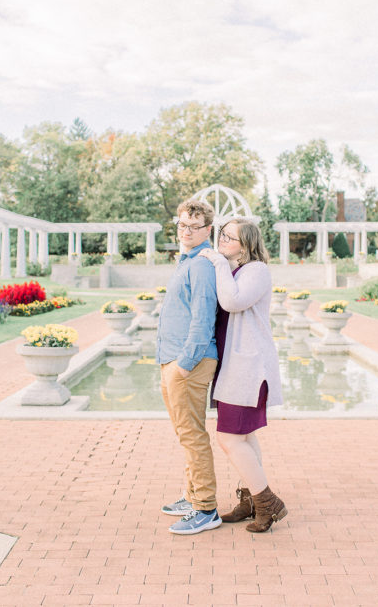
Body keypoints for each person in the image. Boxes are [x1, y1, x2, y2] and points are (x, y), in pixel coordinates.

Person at [199, 218, 288, 532]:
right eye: (222, 234)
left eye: (230, 237)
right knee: (246, 437)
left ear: (247, 244)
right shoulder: (234, 270)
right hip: (232, 367)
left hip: (248, 368)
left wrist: (216, 261)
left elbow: (232, 301)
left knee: (229, 438)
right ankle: (249, 500)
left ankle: (267, 502)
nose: (222, 240)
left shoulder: (256, 271)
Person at [157, 198, 221, 535]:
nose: (186, 231)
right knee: (186, 434)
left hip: (188, 363)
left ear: (207, 230)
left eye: (193, 226)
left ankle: (206, 508)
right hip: (173, 360)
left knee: (193, 435)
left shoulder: (200, 265)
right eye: (182, 225)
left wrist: (183, 365)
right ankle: (192, 494)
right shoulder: (187, 261)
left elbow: (202, 319)